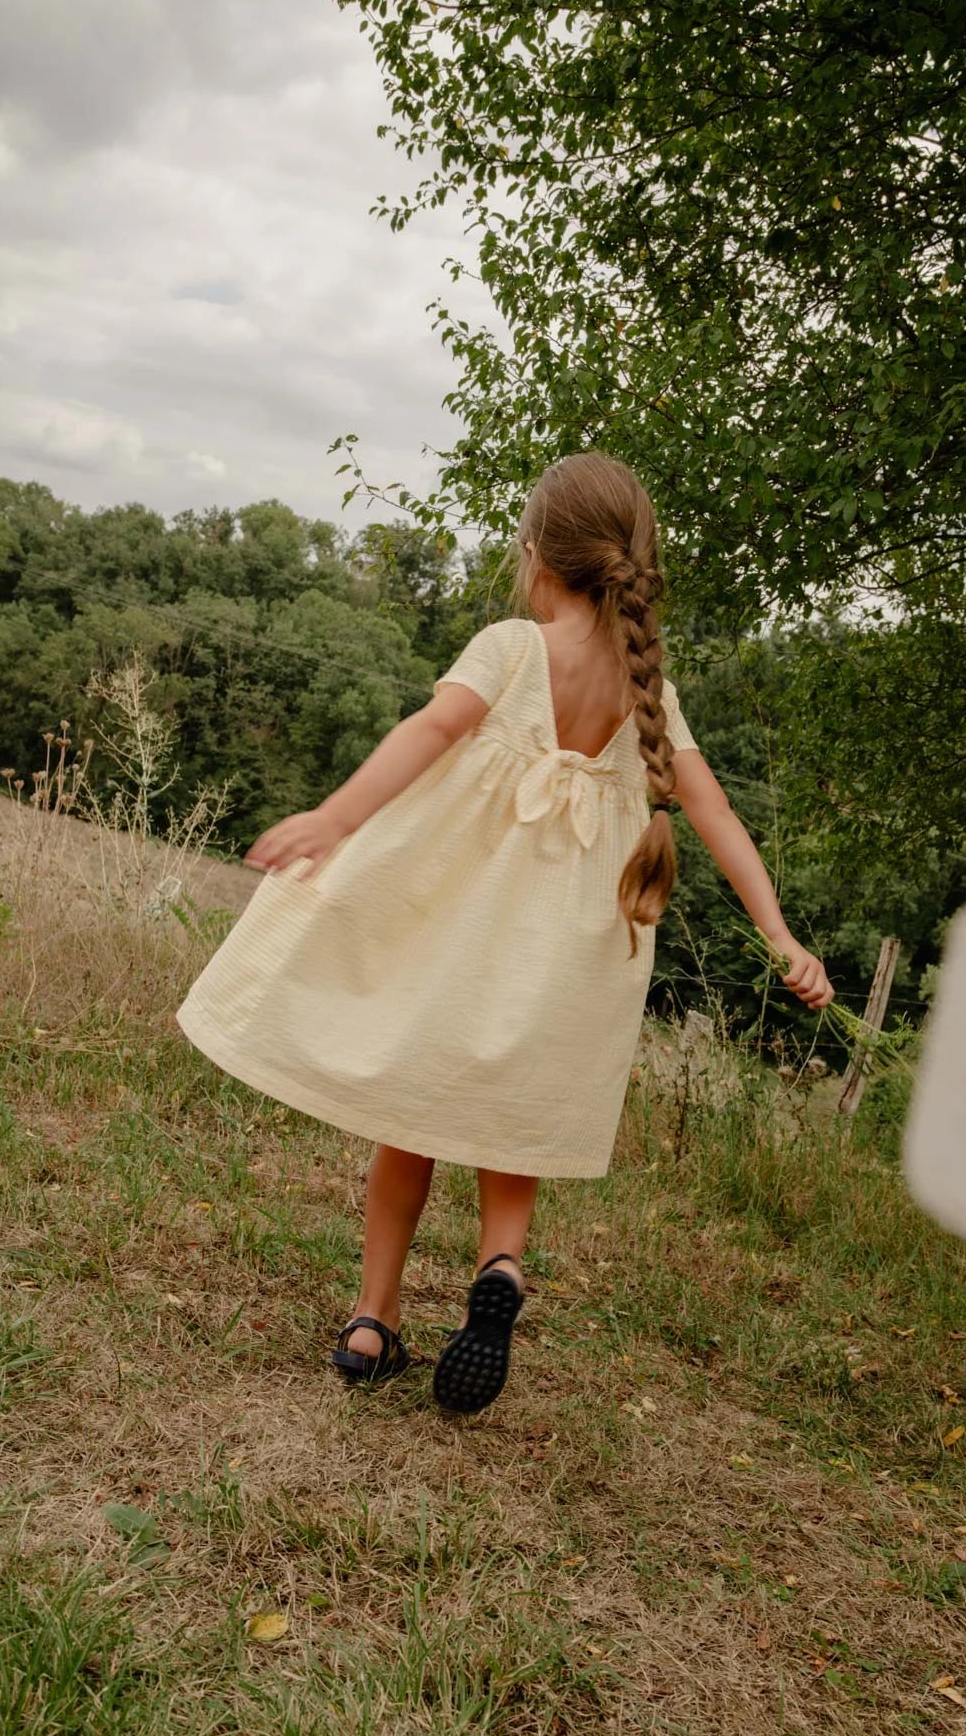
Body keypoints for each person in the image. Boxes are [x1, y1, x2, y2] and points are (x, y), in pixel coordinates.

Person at [177, 452, 833, 1413]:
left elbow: (430, 732)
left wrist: (335, 817)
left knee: (413, 1110)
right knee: (512, 1110)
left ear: (536, 555)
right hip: (565, 952)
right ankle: (501, 1267)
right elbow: (719, 815)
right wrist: (780, 937)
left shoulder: (513, 648)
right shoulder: (645, 690)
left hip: (465, 929)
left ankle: (372, 1321)